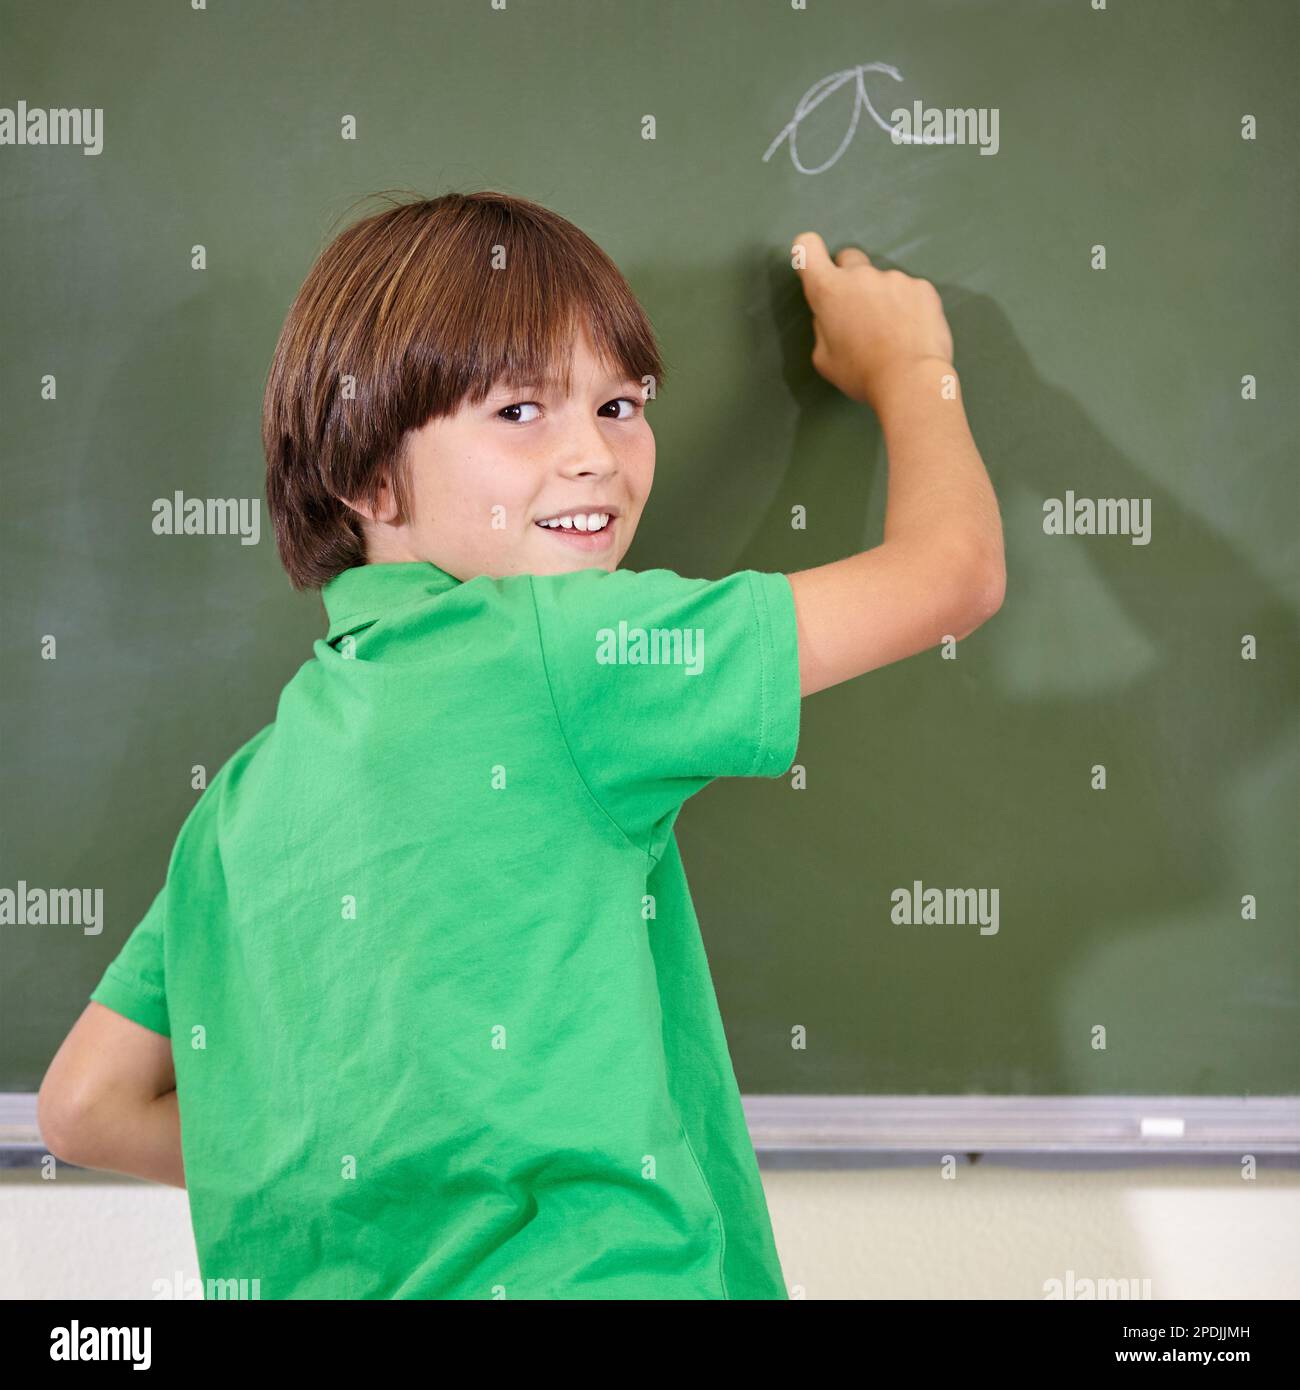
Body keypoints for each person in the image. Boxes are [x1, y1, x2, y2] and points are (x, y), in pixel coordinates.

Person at [38, 191, 1004, 1299]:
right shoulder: (567, 651)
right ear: (366, 474)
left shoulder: (241, 805)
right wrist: (911, 366)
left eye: (621, 404)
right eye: (518, 412)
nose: (593, 454)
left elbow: (85, 1106)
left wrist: (379, 1177)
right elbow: (954, 574)